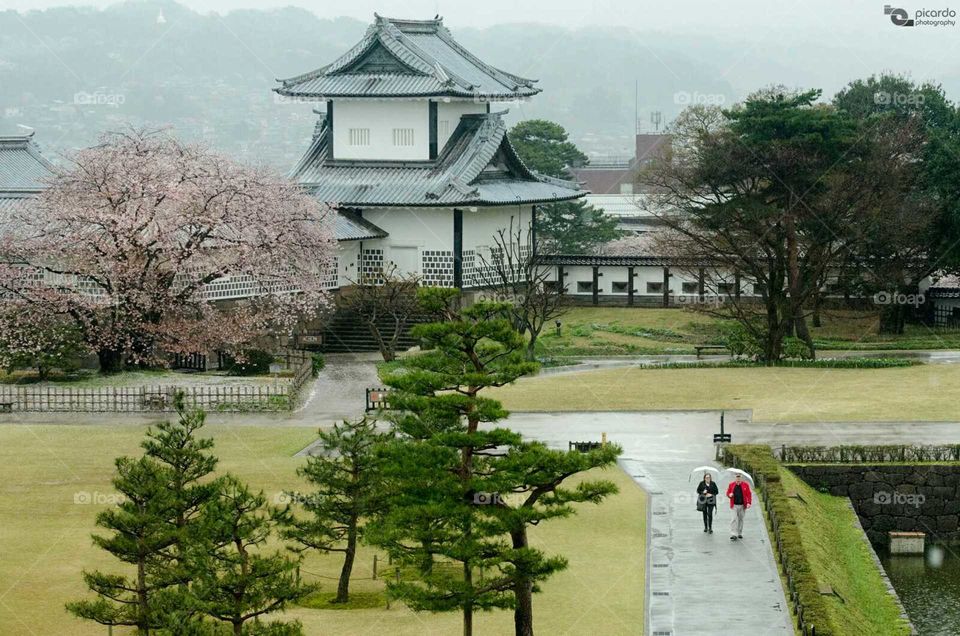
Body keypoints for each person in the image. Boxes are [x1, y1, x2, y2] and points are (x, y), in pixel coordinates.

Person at [726, 472, 752, 540]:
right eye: (737, 477)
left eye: (739, 477)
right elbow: (727, 493)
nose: (738, 478)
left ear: (741, 478)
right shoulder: (731, 485)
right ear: (735, 478)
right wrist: (729, 495)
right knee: (734, 519)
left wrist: (749, 502)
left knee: (741, 519)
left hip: (742, 505)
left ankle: (739, 533)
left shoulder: (745, 485)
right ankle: (733, 534)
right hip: (734, 505)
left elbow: (749, 494)